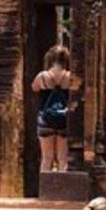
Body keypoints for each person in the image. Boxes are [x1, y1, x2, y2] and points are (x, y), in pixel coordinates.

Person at [32, 44, 75, 172]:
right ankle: (62, 188)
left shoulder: (42, 76)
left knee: (46, 158)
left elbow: (34, 88)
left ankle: (44, 190)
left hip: (45, 118)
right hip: (63, 119)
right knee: (62, 158)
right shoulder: (69, 76)